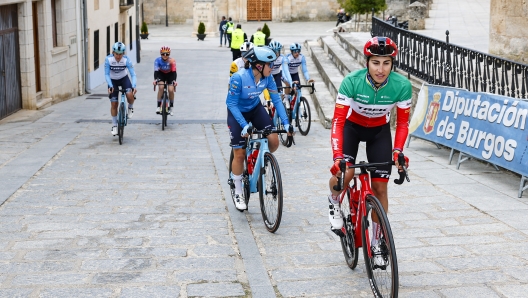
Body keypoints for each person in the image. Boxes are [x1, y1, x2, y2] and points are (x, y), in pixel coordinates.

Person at [327, 36, 411, 265]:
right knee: (345, 174)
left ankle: (376, 241)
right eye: (375, 62)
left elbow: (402, 124)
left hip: (379, 132)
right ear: (367, 62)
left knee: (380, 188)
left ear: (392, 64)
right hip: (351, 128)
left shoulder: (402, 86)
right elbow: (338, 122)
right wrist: (338, 157)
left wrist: (398, 152)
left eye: (386, 63)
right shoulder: (351, 82)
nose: (381, 69)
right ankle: (334, 201)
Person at [226, 46, 293, 211]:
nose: (273, 67)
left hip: (255, 109)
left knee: (274, 141)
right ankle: (238, 188)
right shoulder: (239, 78)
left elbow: (276, 100)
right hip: (237, 112)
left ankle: (256, 158)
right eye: (269, 64)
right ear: (258, 66)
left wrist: (286, 123)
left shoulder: (268, 78)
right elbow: (231, 104)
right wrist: (244, 126)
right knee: (240, 154)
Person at [105, 41, 137, 136]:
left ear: (123, 53)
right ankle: (114, 125)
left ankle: (130, 107)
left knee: (130, 95)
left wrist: (134, 86)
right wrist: (110, 86)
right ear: (113, 52)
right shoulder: (108, 59)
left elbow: (133, 74)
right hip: (113, 81)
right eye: (116, 54)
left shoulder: (126, 60)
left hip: (124, 79)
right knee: (114, 104)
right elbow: (106, 74)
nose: (118, 56)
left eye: (120, 54)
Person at [153, 46, 177, 115]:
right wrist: (155, 80)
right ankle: (158, 106)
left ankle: (171, 107)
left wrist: (174, 81)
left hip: (170, 75)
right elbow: (156, 71)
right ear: (161, 54)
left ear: (169, 54)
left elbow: (174, 72)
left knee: (170, 90)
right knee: (161, 87)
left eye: (167, 54)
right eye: (163, 54)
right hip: (161, 74)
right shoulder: (157, 60)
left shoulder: (172, 61)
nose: (165, 56)